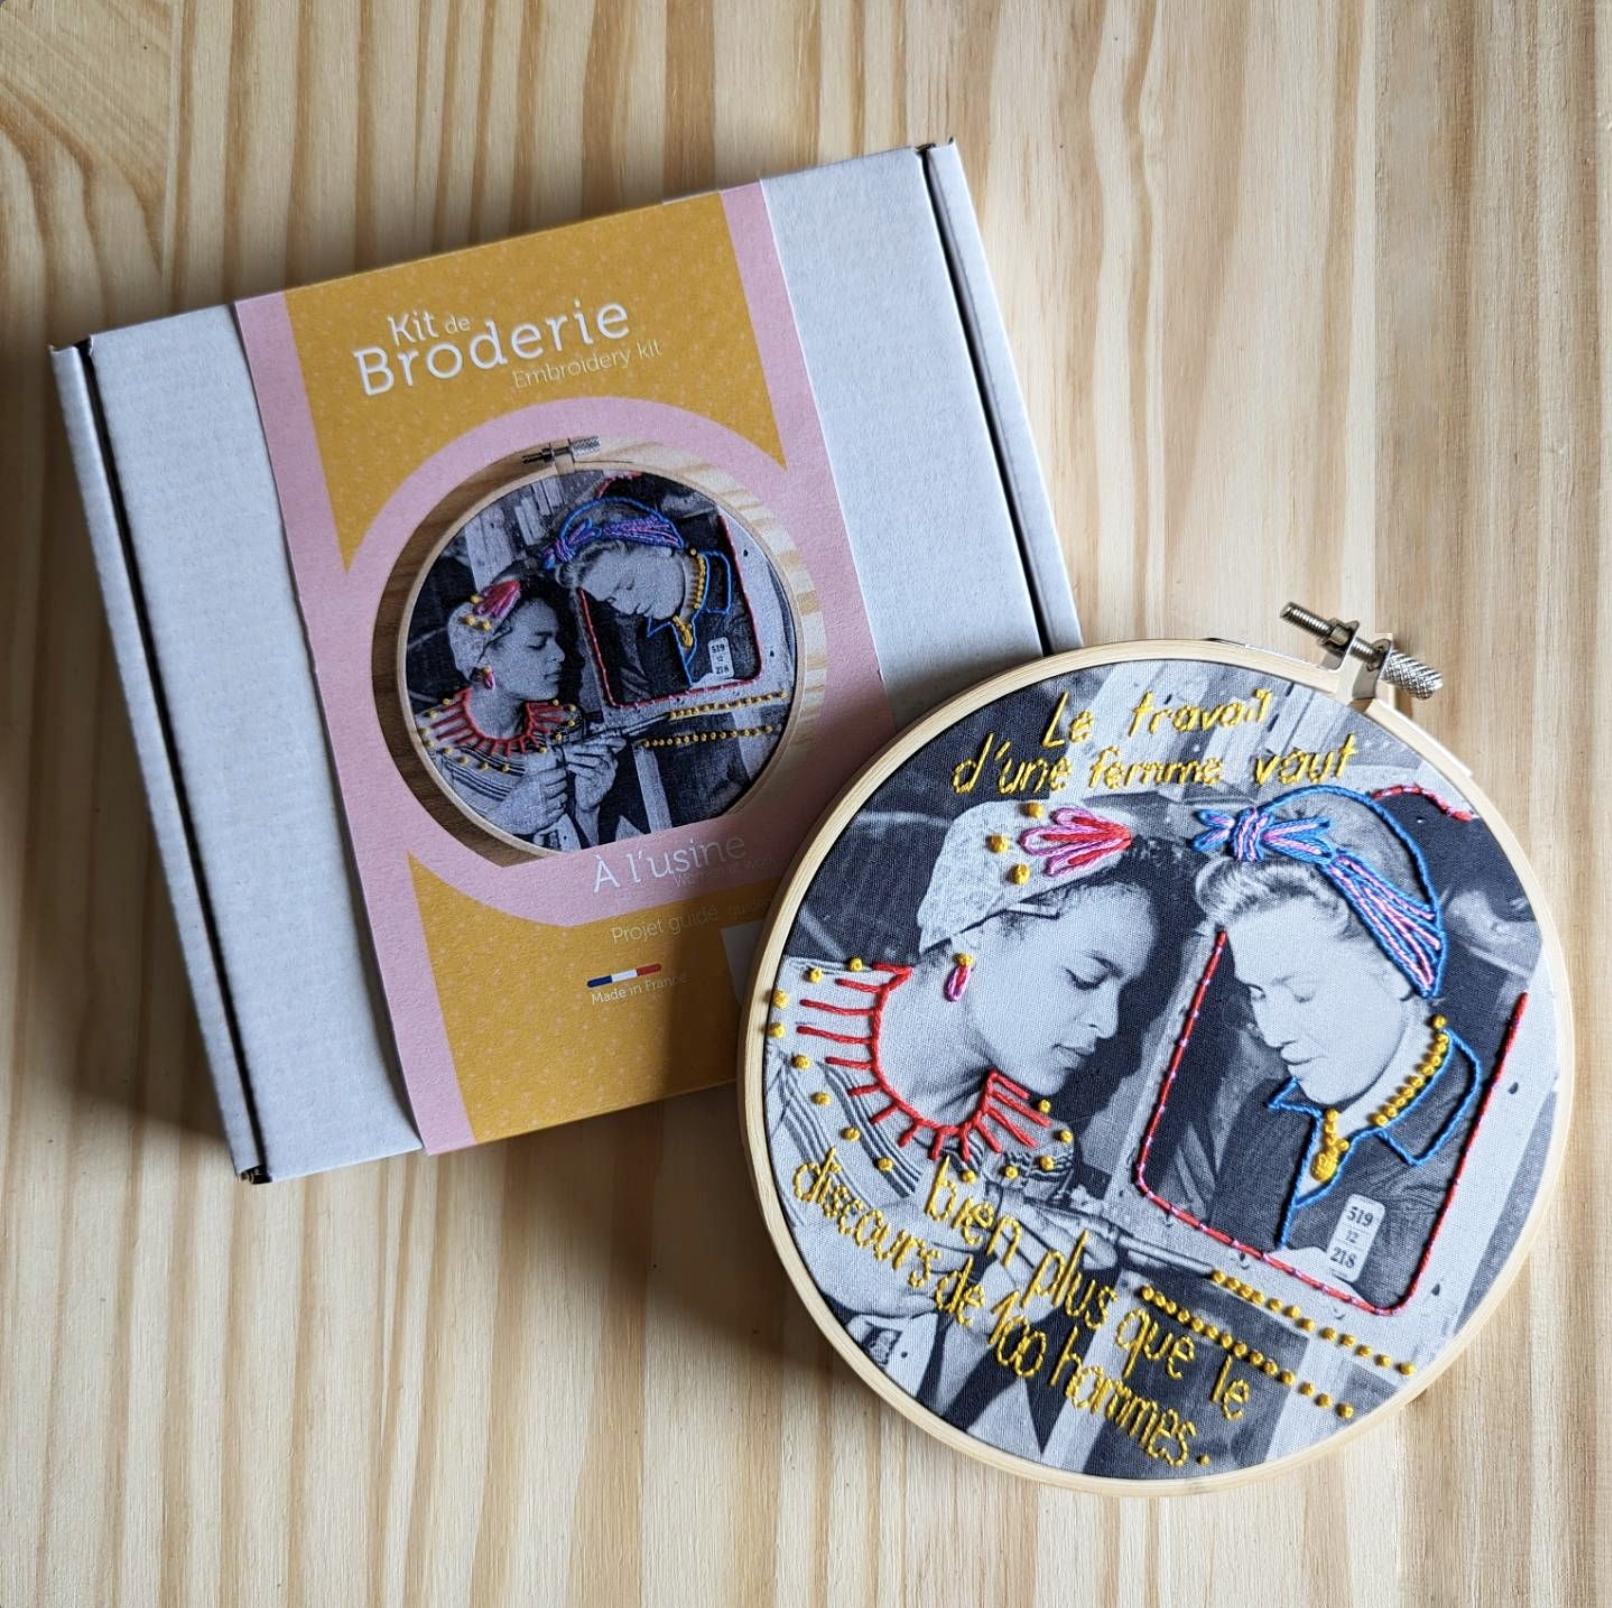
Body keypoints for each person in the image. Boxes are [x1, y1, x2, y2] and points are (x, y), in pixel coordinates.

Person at [764, 797, 1191, 1426]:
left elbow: (896, 1417)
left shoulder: (1032, 1158)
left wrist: (973, 1333)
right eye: (1083, 978)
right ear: (975, 932)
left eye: (1127, 993)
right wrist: (813, 1259)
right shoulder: (772, 1026)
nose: (1108, 1024)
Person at [1181, 784, 1487, 1309]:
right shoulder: (1266, 1111)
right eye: (1258, 993)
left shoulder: (1483, 1163)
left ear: (1396, 967)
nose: (1273, 1032)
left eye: (1303, 992)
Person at [414, 573, 624, 850]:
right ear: (484, 656)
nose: (560, 655)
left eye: (557, 640)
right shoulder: (427, 745)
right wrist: (503, 823)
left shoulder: (563, 727)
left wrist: (588, 809)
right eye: (537, 644)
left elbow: (581, 859)